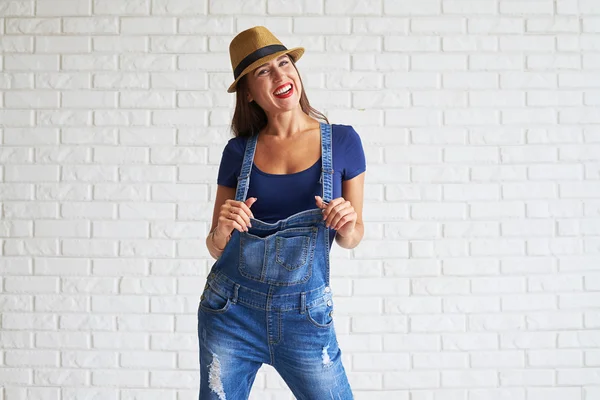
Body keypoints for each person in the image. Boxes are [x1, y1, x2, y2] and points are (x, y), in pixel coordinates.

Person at [198, 26, 366, 400]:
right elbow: (215, 245)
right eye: (263, 71)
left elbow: (353, 237)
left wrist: (348, 222)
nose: (280, 75)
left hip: (306, 318)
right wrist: (223, 230)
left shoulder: (343, 142)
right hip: (230, 314)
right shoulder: (237, 152)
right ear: (249, 93)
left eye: (284, 63)